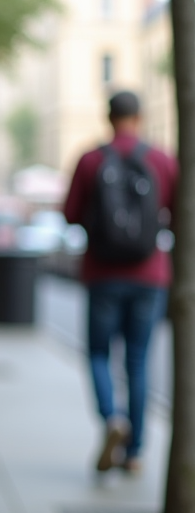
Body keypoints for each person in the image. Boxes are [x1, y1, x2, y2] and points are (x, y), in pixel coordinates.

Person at [63, 90, 178, 474]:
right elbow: (179, 212)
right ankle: (136, 453)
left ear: (108, 118)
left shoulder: (91, 159)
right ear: (140, 117)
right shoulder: (161, 159)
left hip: (102, 273)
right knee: (138, 360)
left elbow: (70, 213)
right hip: (150, 274)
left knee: (98, 353)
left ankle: (112, 417)